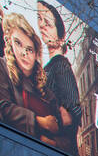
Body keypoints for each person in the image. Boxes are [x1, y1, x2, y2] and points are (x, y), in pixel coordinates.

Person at [2, 12, 67, 143]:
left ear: (36, 53)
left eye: (29, 49)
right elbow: (3, 108)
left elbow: (60, 129)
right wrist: (40, 123)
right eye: (18, 43)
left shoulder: (45, 89)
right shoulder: (2, 68)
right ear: (9, 42)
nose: (23, 53)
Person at [35, 1, 79, 156]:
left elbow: (73, 113)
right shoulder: (48, 67)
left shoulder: (60, 65)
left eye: (47, 23)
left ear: (61, 37)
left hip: (59, 155)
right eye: (39, 19)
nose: (42, 26)